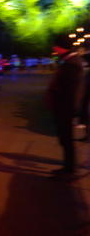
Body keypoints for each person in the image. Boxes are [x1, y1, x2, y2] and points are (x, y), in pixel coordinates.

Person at [45, 35, 84, 176]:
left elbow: (70, 91)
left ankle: (69, 170)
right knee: (65, 139)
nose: (54, 48)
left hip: (65, 109)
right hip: (64, 108)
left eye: (55, 46)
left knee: (66, 139)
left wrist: (69, 110)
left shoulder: (71, 64)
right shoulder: (69, 61)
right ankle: (68, 168)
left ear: (60, 47)